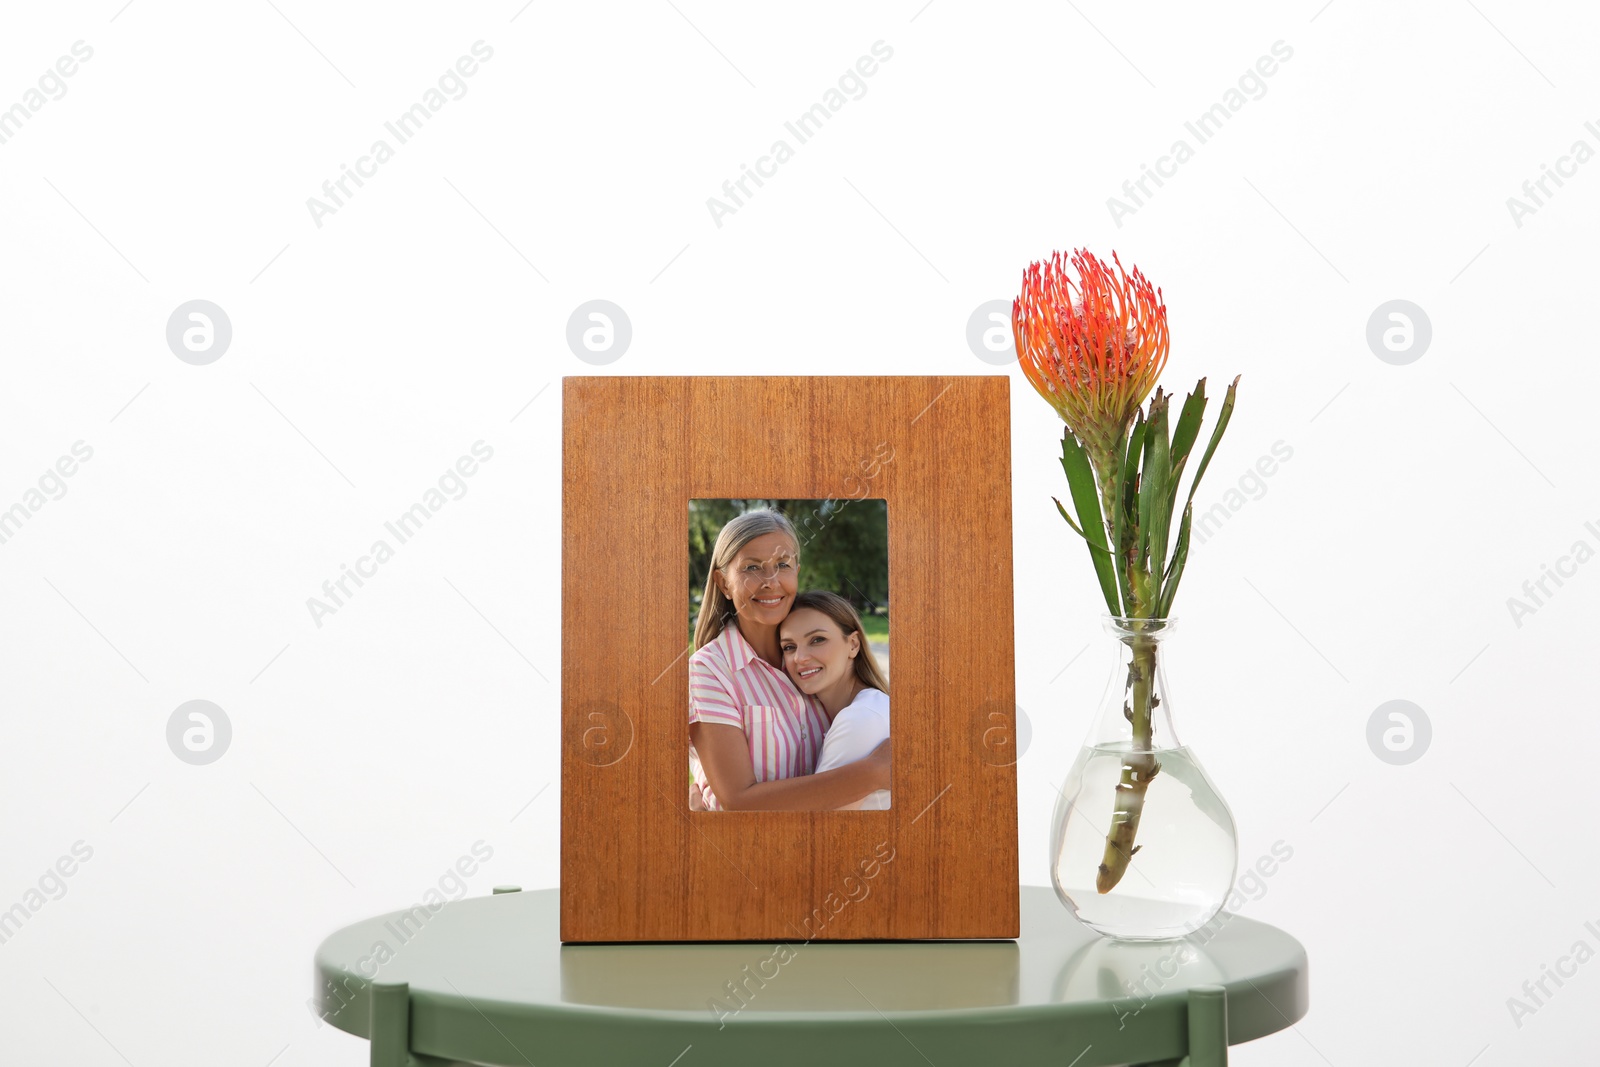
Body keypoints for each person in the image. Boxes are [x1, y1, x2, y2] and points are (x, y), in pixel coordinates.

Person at [688, 509, 889, 810]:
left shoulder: (809, 663)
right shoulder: (710, 669)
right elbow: (737, 800)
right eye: (752, 568)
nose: (771, 581)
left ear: (796, 570)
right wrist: (876, 772)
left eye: (783, 565)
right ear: (723, 583)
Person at [779, 590, 890, 810]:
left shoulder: (860, 719)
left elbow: (820, 835)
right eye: (789, 647)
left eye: (817, 640)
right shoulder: (869, 706)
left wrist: (704, 812)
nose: (800, 658)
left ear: (853, 645)